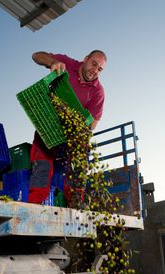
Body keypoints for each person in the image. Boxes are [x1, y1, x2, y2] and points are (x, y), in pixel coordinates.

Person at [28, 50, 107, 204]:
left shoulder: (98, 91)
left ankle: (76, 205)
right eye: (94, 64)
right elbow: (36, 56)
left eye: (100, 69)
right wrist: (52, 62)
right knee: (41, 170)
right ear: (85, 58)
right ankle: (34, 206)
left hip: (70, 138)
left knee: (79, 164)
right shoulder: (67, 64)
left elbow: (92, 125)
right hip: (49, 128)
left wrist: (81, 121)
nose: (95, 70)